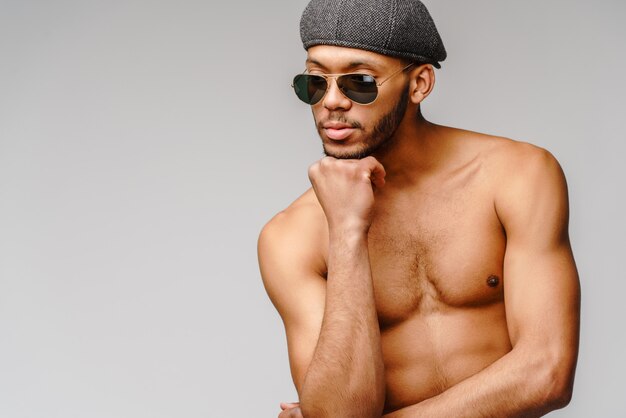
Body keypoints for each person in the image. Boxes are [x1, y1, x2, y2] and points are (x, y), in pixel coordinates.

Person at [257, 0, 580, 416]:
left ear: (420, 84)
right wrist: (347, 231)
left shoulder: (517, 176)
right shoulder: (291, 237)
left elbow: (546, 374)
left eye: (358, 82)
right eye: (314, 83)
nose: (331, 102)